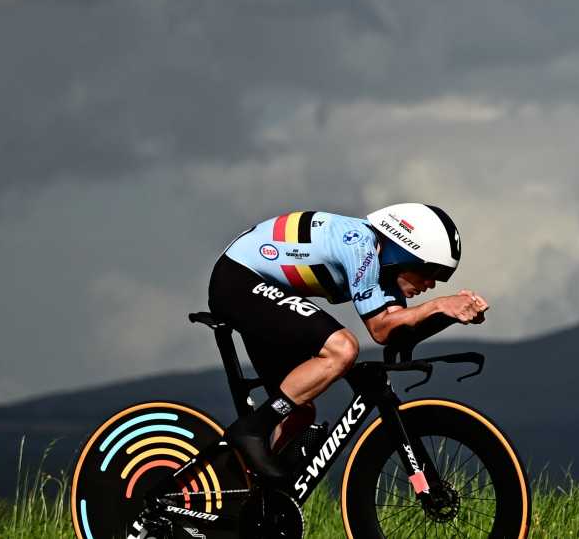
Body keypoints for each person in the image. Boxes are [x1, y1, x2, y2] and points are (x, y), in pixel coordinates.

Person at [209, 203, 489, 479]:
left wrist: (452, 314)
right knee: (342, 348)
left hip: (259, 289)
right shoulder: (359, 245)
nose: (432, 284)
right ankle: (251, 431)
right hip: (238, 279)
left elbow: (396, 333)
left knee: (300, 411)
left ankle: (253, 488)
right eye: (430, 272)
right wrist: (438, 305)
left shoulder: (386, 273)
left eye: (442, 278)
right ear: (405, 252)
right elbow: (379, 329)